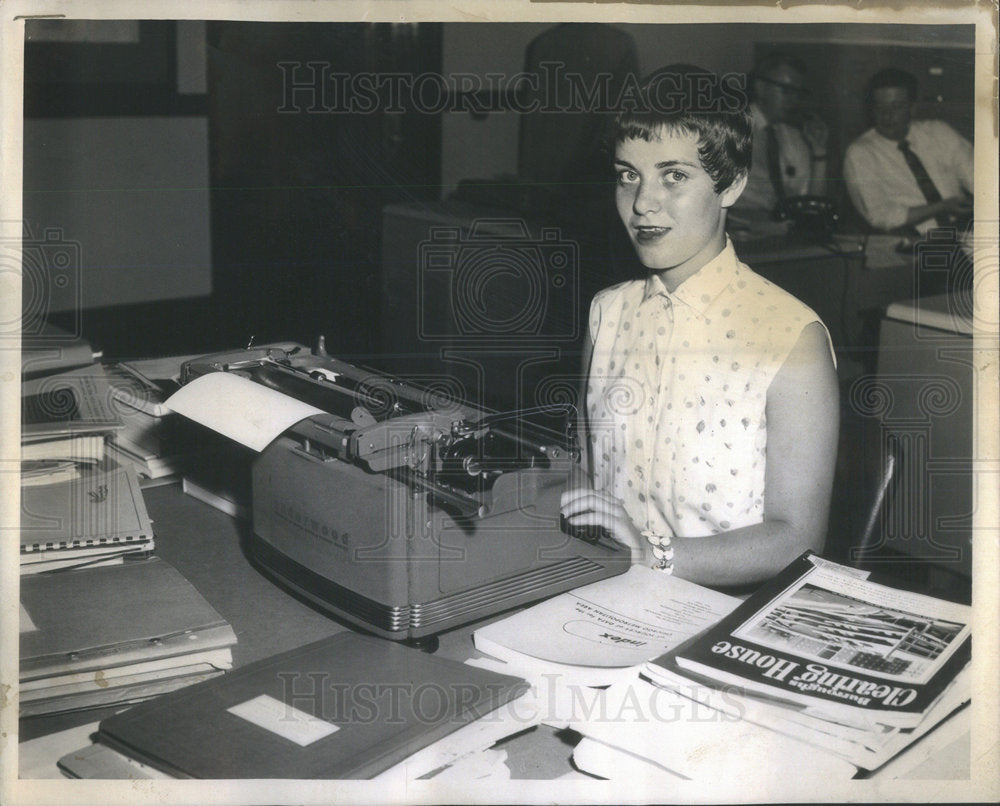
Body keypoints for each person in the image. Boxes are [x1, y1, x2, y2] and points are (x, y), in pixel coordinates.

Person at [560, 64, 840, 588]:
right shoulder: (607, 313)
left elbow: (798, 538)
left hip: (724, 611)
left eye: (674, 176)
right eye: (628, 175)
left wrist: (652, 555)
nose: (643, 203)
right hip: (605, 591)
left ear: (731, 184)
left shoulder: (792, 336)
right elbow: (585, 469)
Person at [843, 68, 973, 235]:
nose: (887, 116)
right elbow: (880, 216)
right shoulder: (860, 153)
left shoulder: (939, 132)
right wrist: (942, 207)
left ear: (912, 108)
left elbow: (979, 179)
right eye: (880, 107)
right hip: (906, 242)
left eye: (896, 106)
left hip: (964, 232)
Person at [730, 51, 829, 221]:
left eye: (797, 93)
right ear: (760, 87)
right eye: (786, 91)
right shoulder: (729, 131)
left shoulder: (794, 138)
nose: (793, 100)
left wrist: (819, 154)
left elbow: (812, 204)